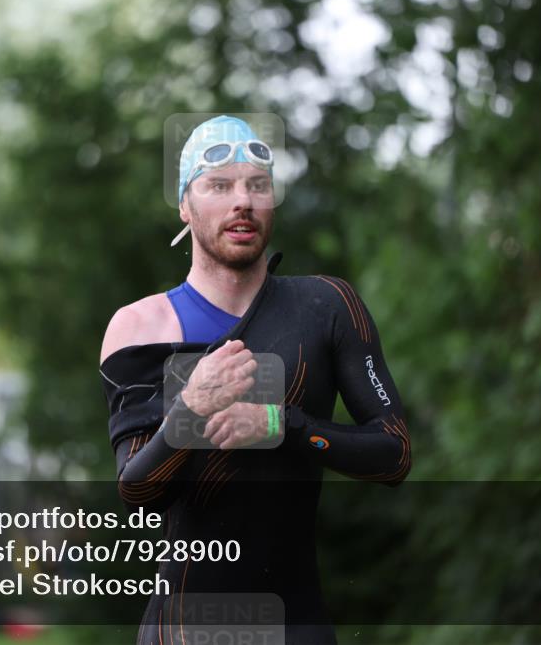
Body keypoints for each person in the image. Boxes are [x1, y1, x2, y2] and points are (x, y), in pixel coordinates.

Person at [99, 115, 411, 645]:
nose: (242, 201)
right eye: (219, 186)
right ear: (185, 205)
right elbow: (138, 489)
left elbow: (395, 454)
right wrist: (191, 409)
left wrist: (281, 425)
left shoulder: (325, 307)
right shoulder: (141, 326)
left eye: (258, 186)